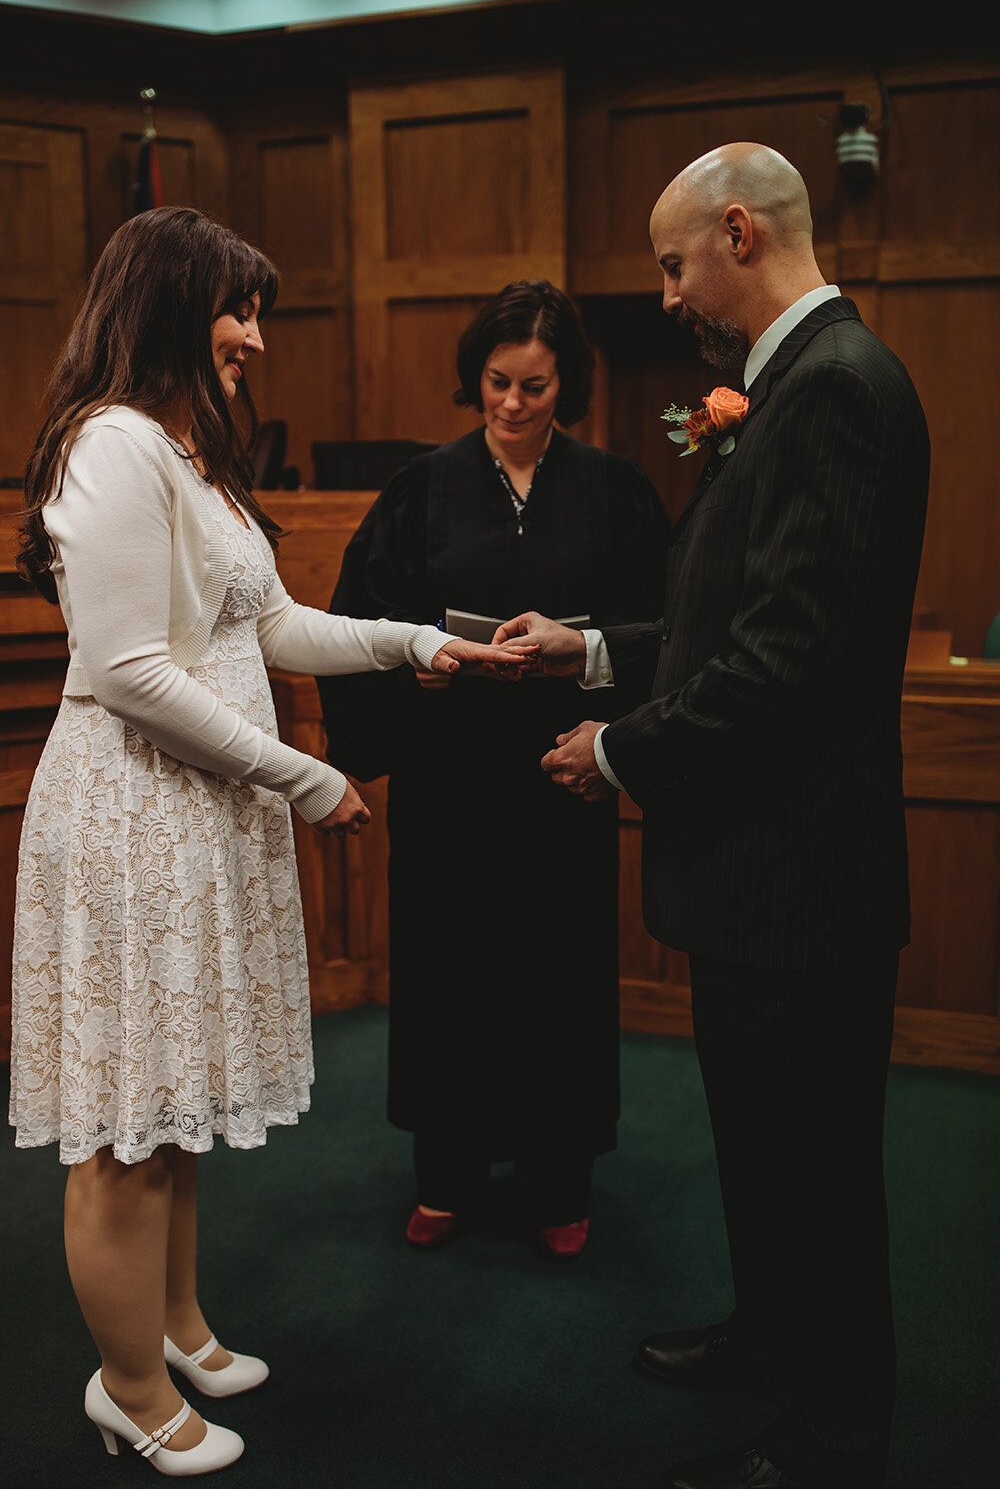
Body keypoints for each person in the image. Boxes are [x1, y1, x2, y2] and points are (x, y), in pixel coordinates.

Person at [8, 206, 521, 1477]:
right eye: (237, 310)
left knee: (171, 1101)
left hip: (198, 814)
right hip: (136, 816)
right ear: (172, 304)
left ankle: (174, 1323)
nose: (252, 338)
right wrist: (306, 776)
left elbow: (271, 626)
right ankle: (126, 1386)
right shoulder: (112, 447)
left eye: (258, 315)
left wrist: (410, 643)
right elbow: (127, 673)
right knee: (126, 1125)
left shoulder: (191, 451)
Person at [495, 146, 929, 1488]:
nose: (671, 292)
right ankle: (770, 1335)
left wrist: (618, 754)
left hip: (800, 876)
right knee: (761, 1141)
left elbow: (788, 660)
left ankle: (838, 1424)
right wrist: (589, 650)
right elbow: (719, 616)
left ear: (737, 233)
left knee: (816, 1165)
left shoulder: (839, 390)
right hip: (760, 872)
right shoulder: (792, 386)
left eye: (676, 263)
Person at [318, 279, 669, 1258]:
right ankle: (448, 1174)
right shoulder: (418, 491)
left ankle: (560, 1181)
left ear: (569, 385)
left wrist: (590, 669)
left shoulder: (616, 491)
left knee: (554, 984)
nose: (513, 405)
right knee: (451, 979)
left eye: (536, 387)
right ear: (474, 376)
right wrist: (418, 668)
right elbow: (357, 627)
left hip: (562, 786)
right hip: (450, 785)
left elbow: (666, 628)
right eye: (497, 383)